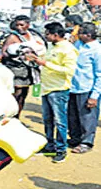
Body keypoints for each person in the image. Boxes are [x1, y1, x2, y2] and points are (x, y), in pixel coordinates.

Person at [25, 22, 78, 163]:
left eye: (47, 34)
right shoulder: (52, 46)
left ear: (55, 35)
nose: (45, 36)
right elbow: (46, 61)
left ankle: (61, 149)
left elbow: (69, 70)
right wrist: (37, 60)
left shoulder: (68, 49)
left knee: (60, 121)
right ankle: (50, 145)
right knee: (48, 119)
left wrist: (45, 64)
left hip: (58, 90)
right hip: (46, 88)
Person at [0, 15, 46, 117]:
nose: (19, 27)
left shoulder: (31, 36)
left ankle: (17, 117)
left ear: (28, 25)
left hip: (28, 70)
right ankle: (10, 116)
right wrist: (18, 55)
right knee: (17, 94)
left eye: (22, 25)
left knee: (23, 95)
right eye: (17, 25)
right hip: (16, 70)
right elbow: (4, 52)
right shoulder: (13, 37)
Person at [67, 22, 101, 154]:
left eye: (80, 33)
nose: (77, 35)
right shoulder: (78, 44)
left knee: (87, 118)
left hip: (87, 88)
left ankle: (86, 142)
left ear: (88, 35)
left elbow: (100, 74)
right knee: (72, 116)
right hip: (73, 86)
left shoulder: (97, 50)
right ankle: (75, 138)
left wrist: (94, 95)